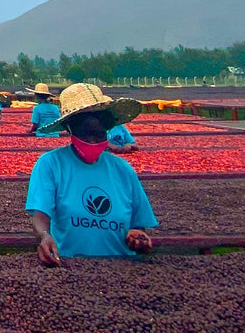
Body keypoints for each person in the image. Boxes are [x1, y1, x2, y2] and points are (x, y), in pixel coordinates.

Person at [24, 83, 157, 266]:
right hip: (70, 265)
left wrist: (138, 236)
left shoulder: (123, 169)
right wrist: (44, 236)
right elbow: (39, 214)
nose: (92, 141)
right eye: (85, 134)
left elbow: (138, 223)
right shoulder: (51, 164)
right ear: (70, 129)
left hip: (123, 266)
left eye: (99, 134)